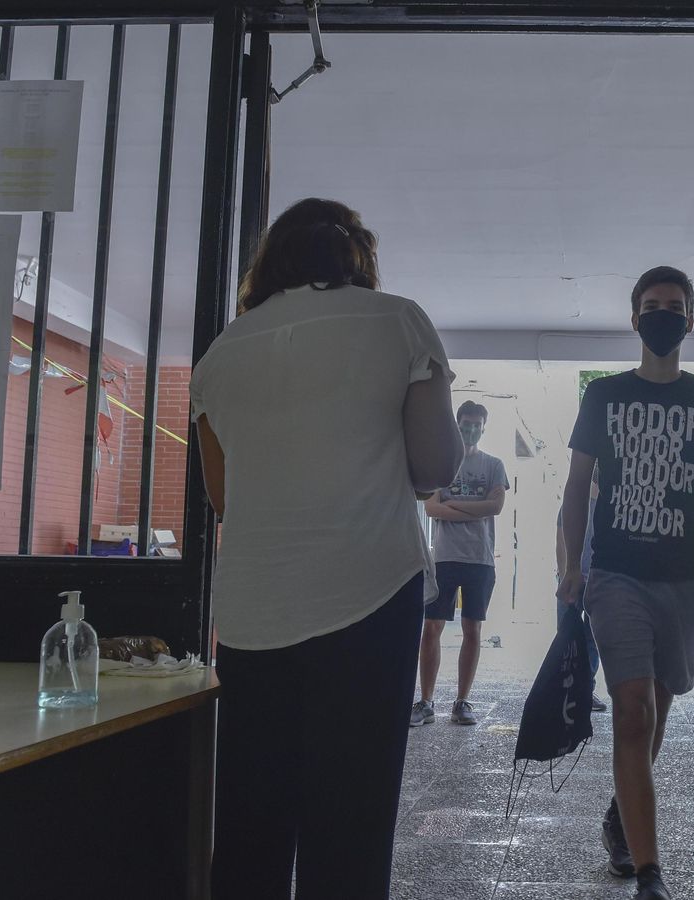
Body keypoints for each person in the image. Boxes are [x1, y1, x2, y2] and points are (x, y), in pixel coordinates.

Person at [191, 198, 462, 898]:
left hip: (253, 615)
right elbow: (434, 468)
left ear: (271, 261)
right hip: (367, 597)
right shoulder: (398, 321)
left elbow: (225, 499)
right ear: (357, 257)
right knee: (349, 828)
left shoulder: (222, 352)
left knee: (252, 823)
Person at [557, 266, 694, 900]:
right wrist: (569, 568)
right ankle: (649, 873)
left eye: (674, 306)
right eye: (652, 305)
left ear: (689, 320)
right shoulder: (603, 396)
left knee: (661, 703)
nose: (663, 314)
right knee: (631, 711)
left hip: (686, 578)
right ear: (634, 318)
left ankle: (620, 815)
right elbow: (577, 487)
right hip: (616, 575)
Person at [413, 401, 509, 727]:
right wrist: (473, 508)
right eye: (465, 423)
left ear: (484, 427)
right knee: (431, 628)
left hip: (479, 559)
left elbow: (495, 507)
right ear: (457, 424)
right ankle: (425, 702)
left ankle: (462, 701)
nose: (470, 429)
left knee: (473, 630)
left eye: (476, 424)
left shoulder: (494, 465)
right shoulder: (444, 464)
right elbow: (431, 510)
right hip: (443, 558)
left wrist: (452, 503)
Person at [555, 471, 609, 713]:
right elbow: (560, 539)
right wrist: (565, 572)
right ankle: (565, 690)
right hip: (573, 577)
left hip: (598, 581)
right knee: (567, 637)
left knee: (593, 640)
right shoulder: (574, 501)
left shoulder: (610, 503)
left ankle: (586, 689)